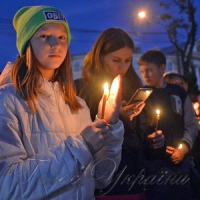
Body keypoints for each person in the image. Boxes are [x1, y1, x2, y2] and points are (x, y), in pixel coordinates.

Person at [0, 6, 125, 200]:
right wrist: (82, 147)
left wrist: (109, 126)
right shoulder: (7, 100)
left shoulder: (78, 105)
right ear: (26, 45)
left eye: (61, 37)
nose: (55, 44)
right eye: (44, 36)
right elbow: (8, 187)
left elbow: (101, 178)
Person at [75, 28, 164, 199]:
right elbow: (78, 138)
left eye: (127, 61)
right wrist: (115, 118)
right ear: (100, 57)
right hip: (100, 186)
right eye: (116, 60)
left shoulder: (134, 87)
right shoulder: (81, 89)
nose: (122, 67)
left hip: (136, 181)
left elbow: (143, 138)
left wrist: (155, 142)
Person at [138, 49, 198, 200]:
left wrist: (184, 147)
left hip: (180, 162)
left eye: (150, 70)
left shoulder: (178, 92)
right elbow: (139, 129)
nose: (145, 75)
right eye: (142, 71)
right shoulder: (141, 95)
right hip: (153, 164)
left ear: (162, 68)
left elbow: (190, 123)